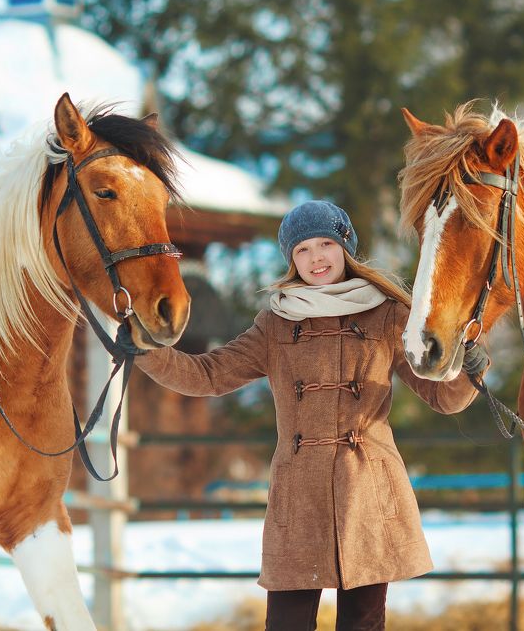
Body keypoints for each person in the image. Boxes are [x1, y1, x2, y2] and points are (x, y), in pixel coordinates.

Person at [122, 201, 489, 630]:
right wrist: (146, 349)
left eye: (326, 245)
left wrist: (470, 370)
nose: (316, 258)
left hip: (368, 494)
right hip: (297, 499)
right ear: (291, 261)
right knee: (287, 624)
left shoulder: (390, 315)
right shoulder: (275, 323)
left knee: (362, 625)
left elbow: (442, 397)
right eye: (302, 250)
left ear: (345, 247)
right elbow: (209, 374)